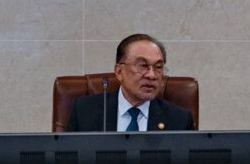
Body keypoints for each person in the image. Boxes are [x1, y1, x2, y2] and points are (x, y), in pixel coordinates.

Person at [64, 33, 195, 132]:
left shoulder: (180, 120)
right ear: (119, 72)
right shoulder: (85, 111)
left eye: (158, 67)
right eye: (142, 65)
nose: (152, 75)